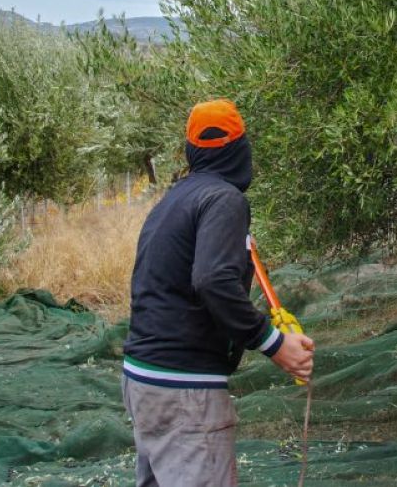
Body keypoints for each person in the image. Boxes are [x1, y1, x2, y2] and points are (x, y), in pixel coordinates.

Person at [121, 98, 315, 487]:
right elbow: (212, 281)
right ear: (241, 150)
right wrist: (274, 343)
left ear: (193, 151)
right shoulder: (225, 199)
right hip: (185, 388)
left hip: (143, 380)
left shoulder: (173, 200)